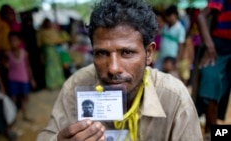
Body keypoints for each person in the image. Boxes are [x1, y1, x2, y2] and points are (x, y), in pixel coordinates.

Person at [37, 0, 203, 141]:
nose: (113, 68)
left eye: (127, 53)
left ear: (149, 54)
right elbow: (47, 135)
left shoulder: (174, 97)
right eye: (102, 53)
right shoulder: (76, 85)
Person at [195, 0, 231, 138]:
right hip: (219, 48)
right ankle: (214, 133)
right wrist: (210, 46)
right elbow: (201, 16)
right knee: (210, 83)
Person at [7, 32, 36, 121]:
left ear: (20, 41)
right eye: (10, 41)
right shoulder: (7, 54)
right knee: (13, 99)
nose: (13, 43)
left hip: (24, 79)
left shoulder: (24, 53)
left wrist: (31, 79)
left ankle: (25, 115)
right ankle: (13, 117)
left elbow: (28, 66)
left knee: (25, 97)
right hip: (12, 79)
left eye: (15, 40)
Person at [155, 5, 186, 70]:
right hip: (162, 54)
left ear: (175, 15)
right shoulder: (165, 26)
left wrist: (178, 60)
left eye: (169, 16)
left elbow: (181, 46)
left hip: (172, 57)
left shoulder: (180, 29)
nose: (167, 18)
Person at [37, 18, 65, 89]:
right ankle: (51, 84)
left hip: (55, 50)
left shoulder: (53, 31)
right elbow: (39, 44)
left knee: (57, 66)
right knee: (50, 67)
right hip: (48, 50)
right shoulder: (41, 32)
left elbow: (59, 40)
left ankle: (59, 82)